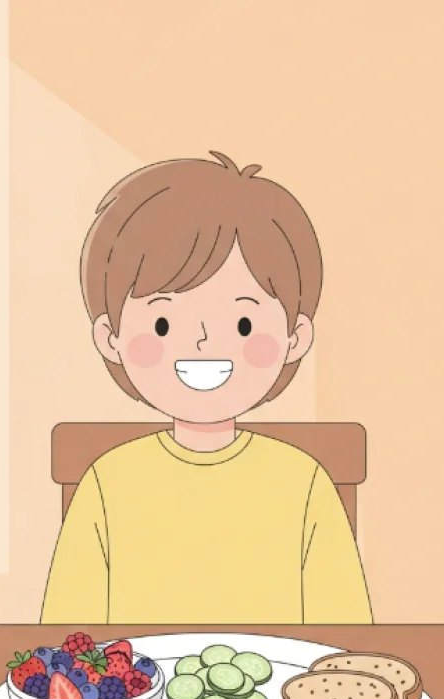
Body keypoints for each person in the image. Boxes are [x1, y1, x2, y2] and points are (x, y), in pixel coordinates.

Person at [40, 151, 373, 624]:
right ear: (110, 338)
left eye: (241, 322)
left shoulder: (305, 482)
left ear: (294, 337)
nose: (200, 341)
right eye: (160, 322)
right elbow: (67, 635)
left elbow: (348, 634)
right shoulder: (106, 482)